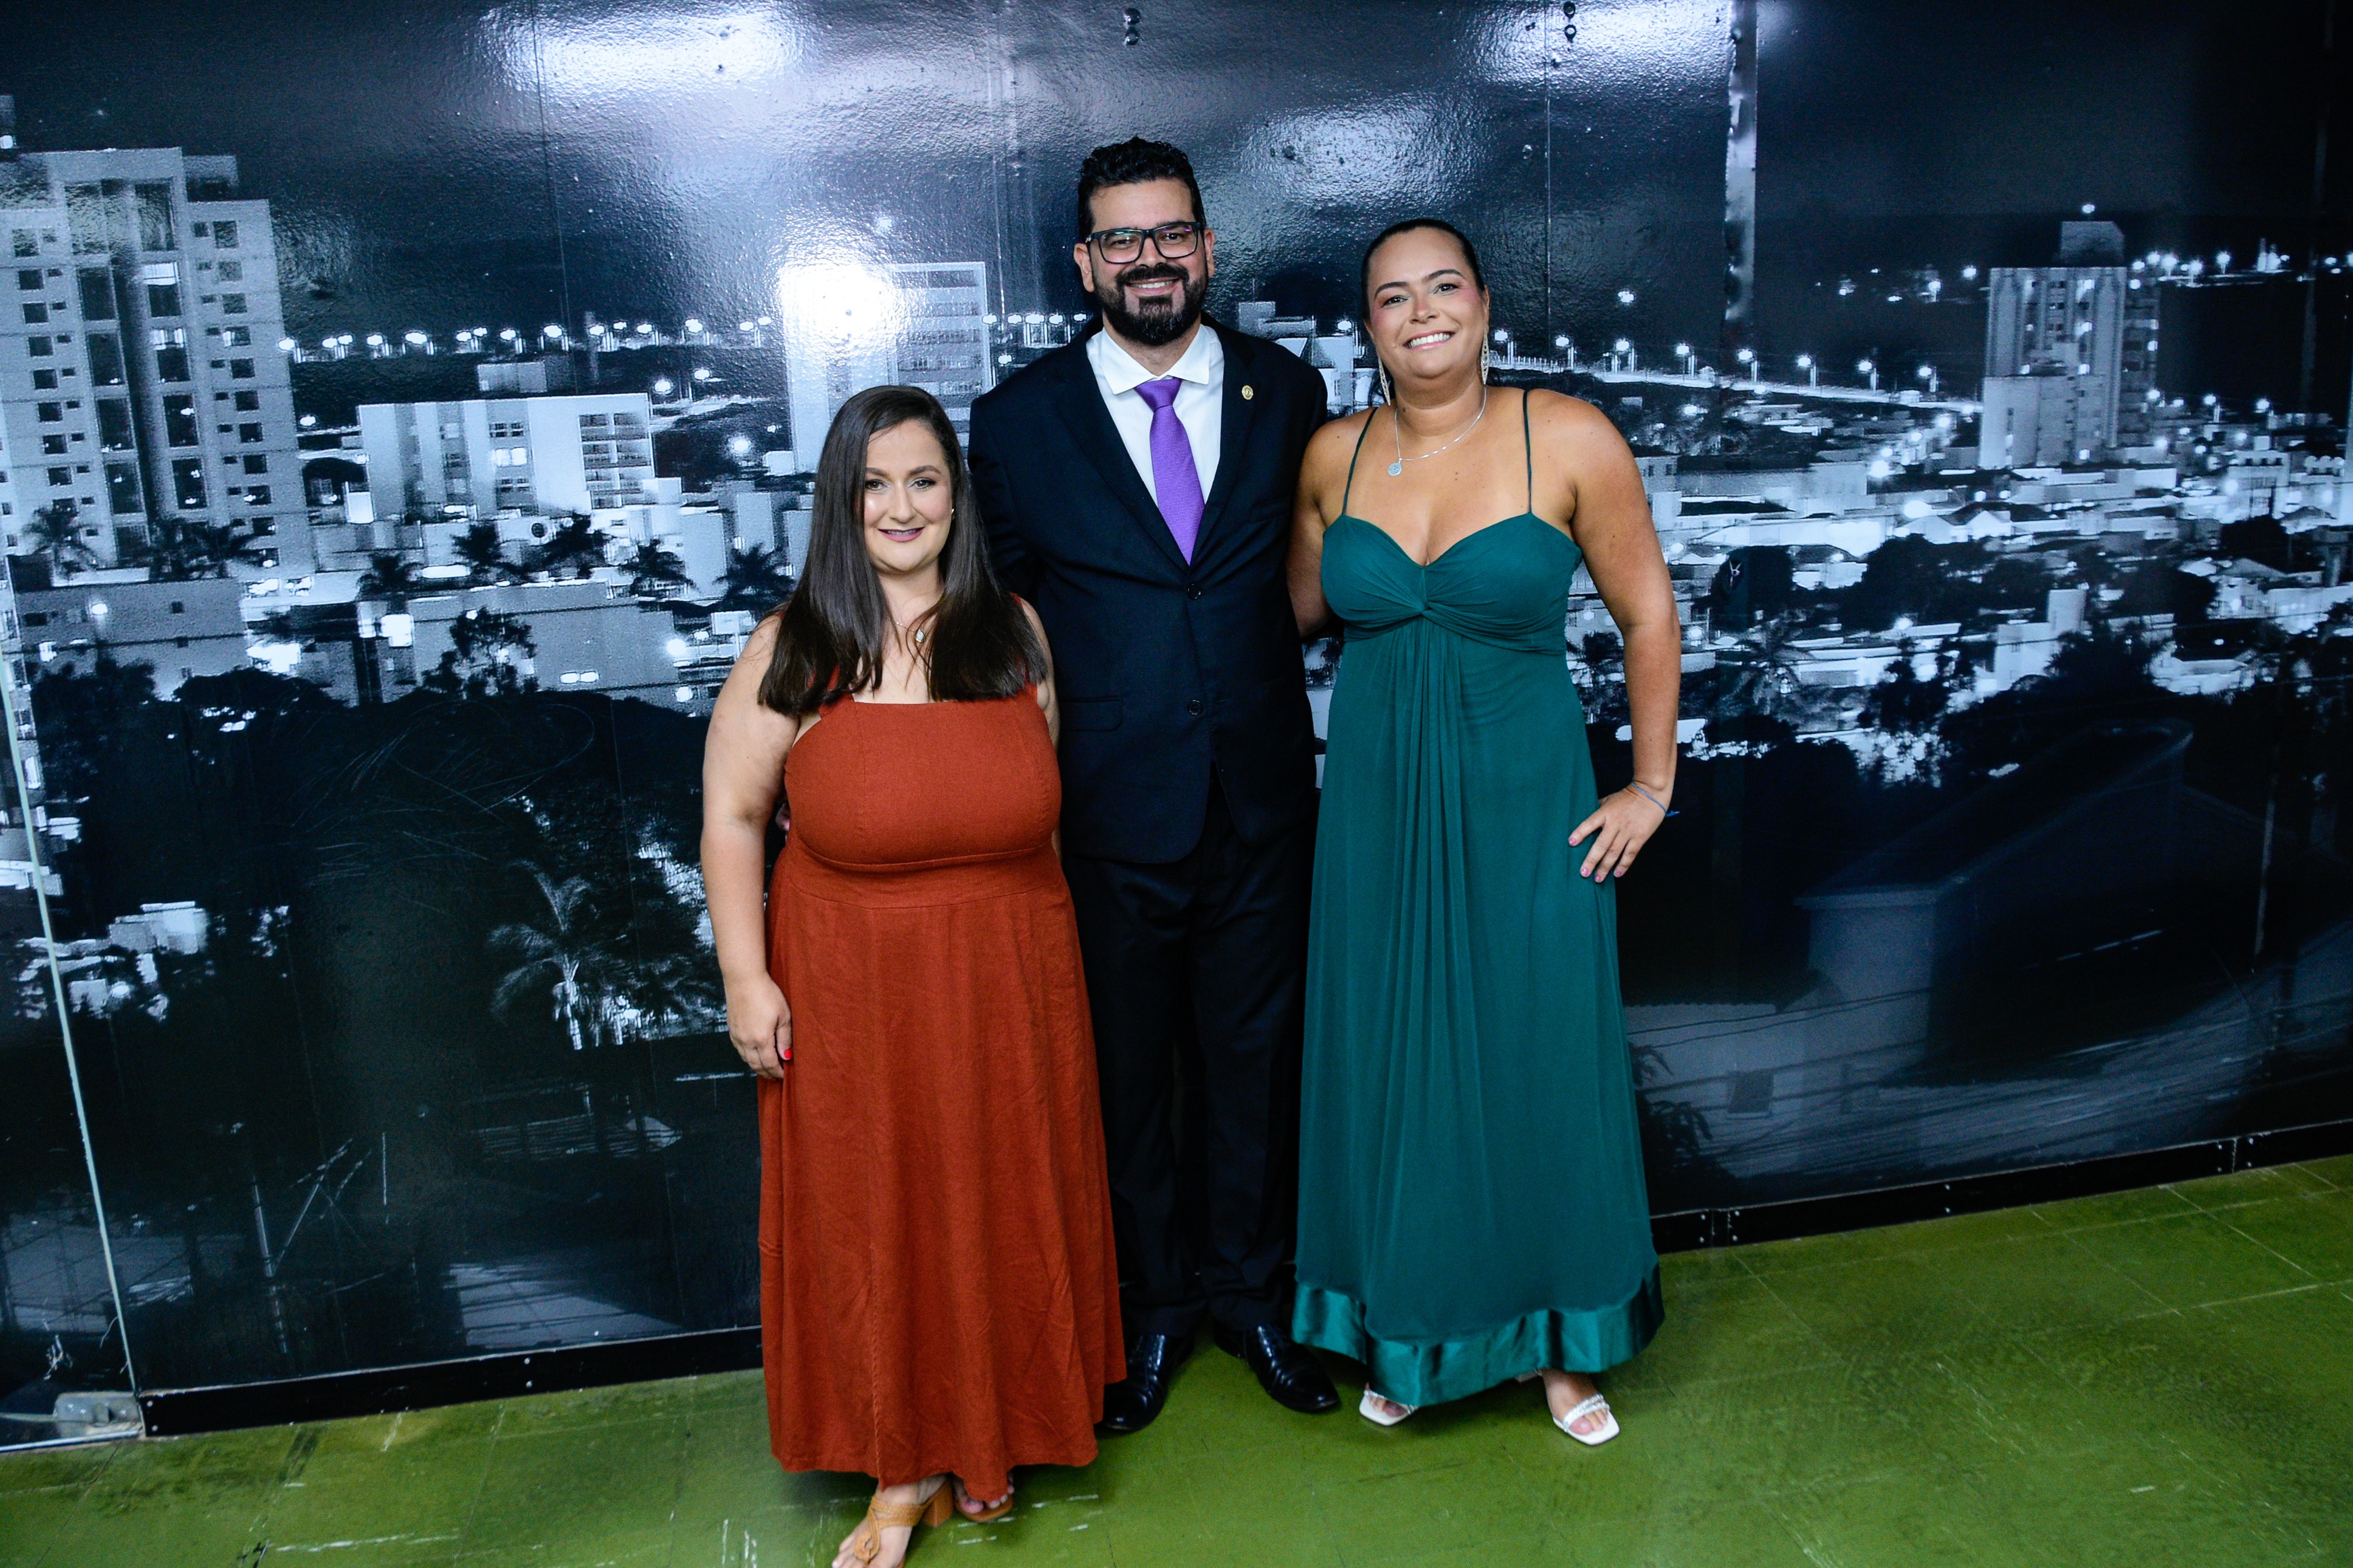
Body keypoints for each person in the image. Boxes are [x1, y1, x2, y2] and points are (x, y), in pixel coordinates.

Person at [701, 386, 1122, 1568]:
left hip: (1011, 984)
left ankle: (990, 1435)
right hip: (856, 993)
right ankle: (903, 1466)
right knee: (882, 1220)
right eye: (874, 484)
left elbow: (1038, 810)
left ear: (956, 497)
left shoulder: (1016, 634)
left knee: (1003, 1203)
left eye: (924, 480)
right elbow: (733, 818)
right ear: (841, 502)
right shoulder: (794, 646)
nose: (901, 506)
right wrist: (745, 977)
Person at [1285, 219, 1680, 1442]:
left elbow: (1648, 613)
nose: (1423, 313)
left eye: (1443, 287)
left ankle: (1564, 1343)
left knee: (1536, 1059)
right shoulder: (1333, 455)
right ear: (1367, 326)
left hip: (1527, 806)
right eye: (1393, 297)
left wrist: (1650, 786)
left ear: (1486, 303)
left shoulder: (1566, 434)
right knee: (1394, 1065)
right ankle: (1413, 1327)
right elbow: (1289, 614)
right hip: (1375, 814)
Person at [967, 137, 1341, 1428]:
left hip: (1261, 798)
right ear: (1085, 263)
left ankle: (1253, 1298)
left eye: (1171, 233)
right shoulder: (1018, 420)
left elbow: (1300, 572)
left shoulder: (1289, 391)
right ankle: (1154, 1312)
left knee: (1256, 1067)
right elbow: (1014, 617)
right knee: (1126, 1080)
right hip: (1108, 809)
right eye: (1121, 239)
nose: (1149, 259)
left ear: (1207, 248)